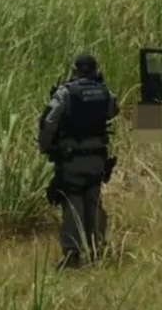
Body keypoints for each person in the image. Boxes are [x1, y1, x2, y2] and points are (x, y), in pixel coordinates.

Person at [37, 53, 119, 269]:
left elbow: (48, 121)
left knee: (73, 203)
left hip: (72, 159)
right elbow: (112, 111)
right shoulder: (105, 93)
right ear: (95, 70)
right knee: (93, 202)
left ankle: (72, 254)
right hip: (97, 160)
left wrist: (45, 146)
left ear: (74, 70)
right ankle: (96, 249)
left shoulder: (66, 93)